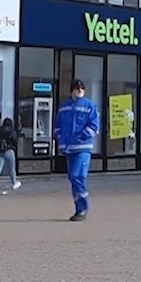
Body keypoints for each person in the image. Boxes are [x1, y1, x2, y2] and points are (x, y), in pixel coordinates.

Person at [56, 79, 100, 220]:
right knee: (73, 178)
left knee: (77, 176)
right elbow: (58, 125)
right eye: (77, 87)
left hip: (83, 148)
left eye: (82, 87)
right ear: (72, 90)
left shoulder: (89, 106)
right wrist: (61, 139)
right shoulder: (64, 106)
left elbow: (94, 126)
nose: (80, 89)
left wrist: (81, 136)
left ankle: (82, 208)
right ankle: (79, 208)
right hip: (69, 148)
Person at [0, 118, 21, 194]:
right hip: (9, 150)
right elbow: (15, 141)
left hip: (0, 151)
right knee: (11, 168)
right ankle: (14, 183)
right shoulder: (12, 130)